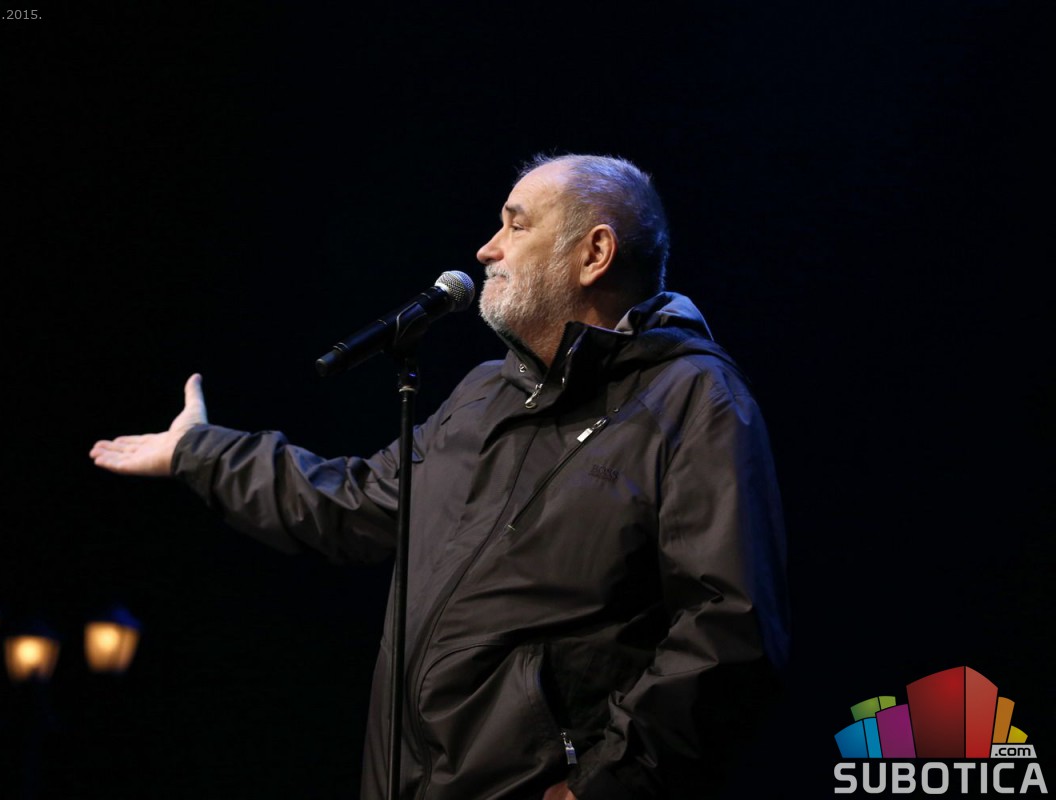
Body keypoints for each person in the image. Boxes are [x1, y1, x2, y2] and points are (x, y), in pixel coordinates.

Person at [89, 153, 790, 799]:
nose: (487, 248)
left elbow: (728, 627)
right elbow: (354, 502)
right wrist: (202, 452)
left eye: (516, 225)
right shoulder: (485, 394)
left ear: (594, 253)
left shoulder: (692, 400)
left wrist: (605, 786)